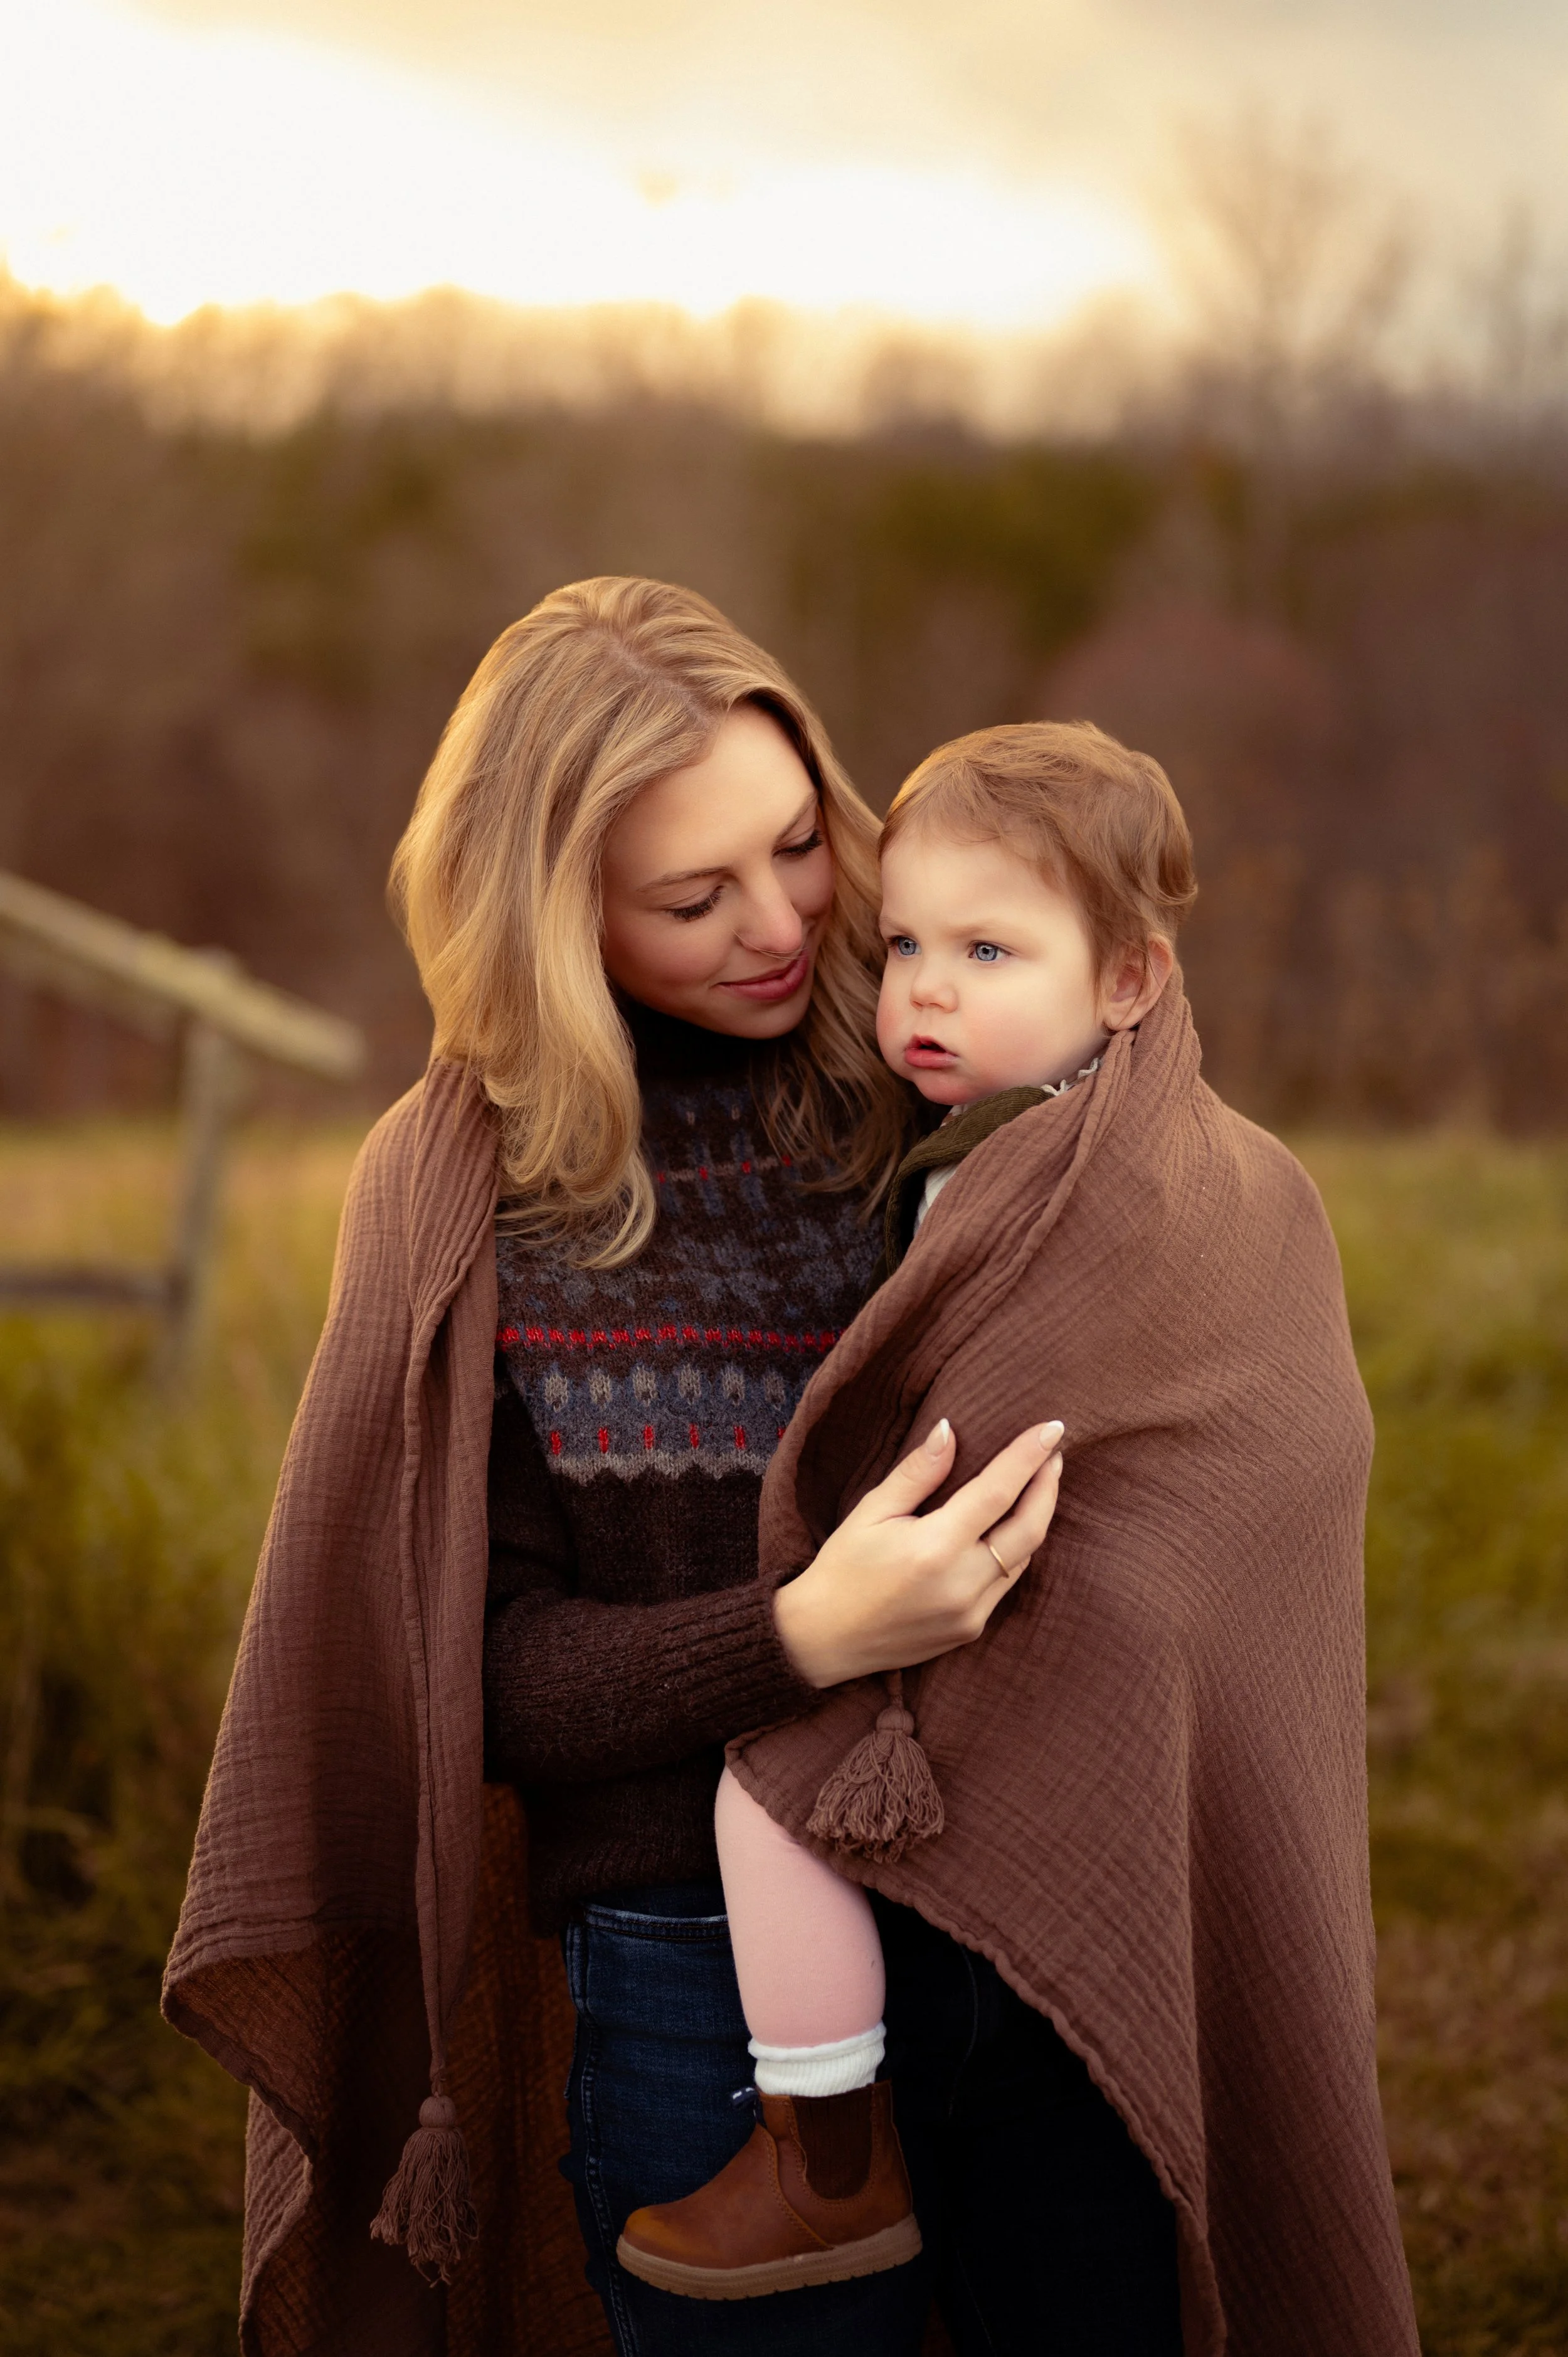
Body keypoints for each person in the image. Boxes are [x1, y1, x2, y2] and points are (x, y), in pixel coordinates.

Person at [163, 578, 1069, 2357]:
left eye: (798, 845)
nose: (780, 923)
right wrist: (800, 1634)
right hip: (693, 1968)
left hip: (1013, 1914)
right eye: (691, 896)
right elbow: (477, 1678)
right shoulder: (477, 1190)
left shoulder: (928, 1075)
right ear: (553, 909)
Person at [670, 724, 1421, 2356]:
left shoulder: (1028, 1186)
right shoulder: (1110, 1158)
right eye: (904, 947)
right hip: (1034, 1707)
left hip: (1046, 1722)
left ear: (1132, 978)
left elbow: (1273, 1448)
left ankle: (820, 2149)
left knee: (766, 1787)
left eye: (989, 952)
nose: (924, 993)